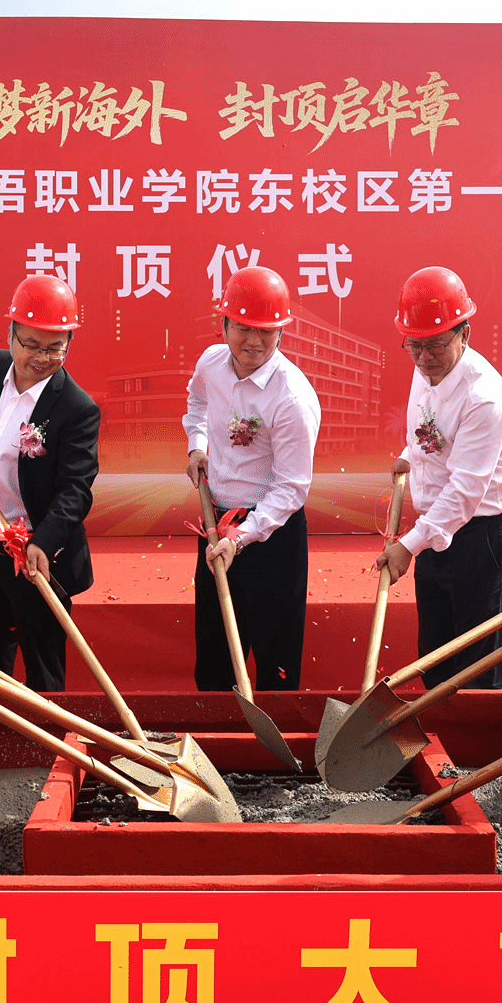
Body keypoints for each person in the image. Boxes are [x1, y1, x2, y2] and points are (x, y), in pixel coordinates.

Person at [0, 274, 100, 690]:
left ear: (69, 343)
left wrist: (43, 542)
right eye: (30, 344)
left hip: (37, 552)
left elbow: (75, 489)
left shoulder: (77, 408)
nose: (41, 357)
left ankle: (48, 731)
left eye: (54, 347)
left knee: (44, 670)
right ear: (11, 333)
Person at [374, 266, 502, 689]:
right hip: (437, 529)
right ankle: (440, 731)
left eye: (436, 345)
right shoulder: (425, 367)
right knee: (437, 661)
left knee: (482, 670)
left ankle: (482, 736)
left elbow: (464, 490)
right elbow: (430, 435)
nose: (425, 357)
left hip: (487, 535)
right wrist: (409, 456)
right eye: (415, 345)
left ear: (465, 334)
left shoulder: (484, 398)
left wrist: (408, 546)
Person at [184, 265, 321, 692]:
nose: (254, 342)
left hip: (272, 538)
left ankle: (276, 737)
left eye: (267, 331)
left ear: (282, 331)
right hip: (215, 524)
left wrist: (241, 537)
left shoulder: (292, 397)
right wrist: (197, 445)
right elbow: (196, 402)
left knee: (276, 664)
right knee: (214, 661)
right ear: (224, 323)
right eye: (243, 328)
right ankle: (217, 732)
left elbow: (291, 489)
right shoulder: (211, 363)